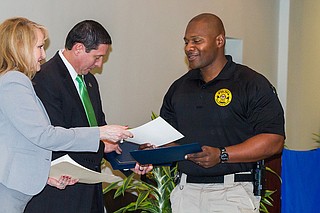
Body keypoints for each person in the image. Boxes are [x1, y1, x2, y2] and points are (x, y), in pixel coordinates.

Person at [0, 17, 133, 212]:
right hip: (15, 190)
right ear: (21, 48)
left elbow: (21, 141)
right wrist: (99, 133)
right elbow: (44, 135)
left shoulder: (19, 81)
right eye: (38, 47)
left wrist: (45, 177)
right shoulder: (15, 81)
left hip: (29, 184)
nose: (42, 55)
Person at [160, 13, 285, 213]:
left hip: (232, 193)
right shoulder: (179, 87)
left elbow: (274, 140)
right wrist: (150, 148)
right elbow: (166, 137)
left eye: (196, 41)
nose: (188, 48)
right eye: (186, 42)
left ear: (219, 41)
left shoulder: (251, 83)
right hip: (186, 193)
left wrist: (222, 155)